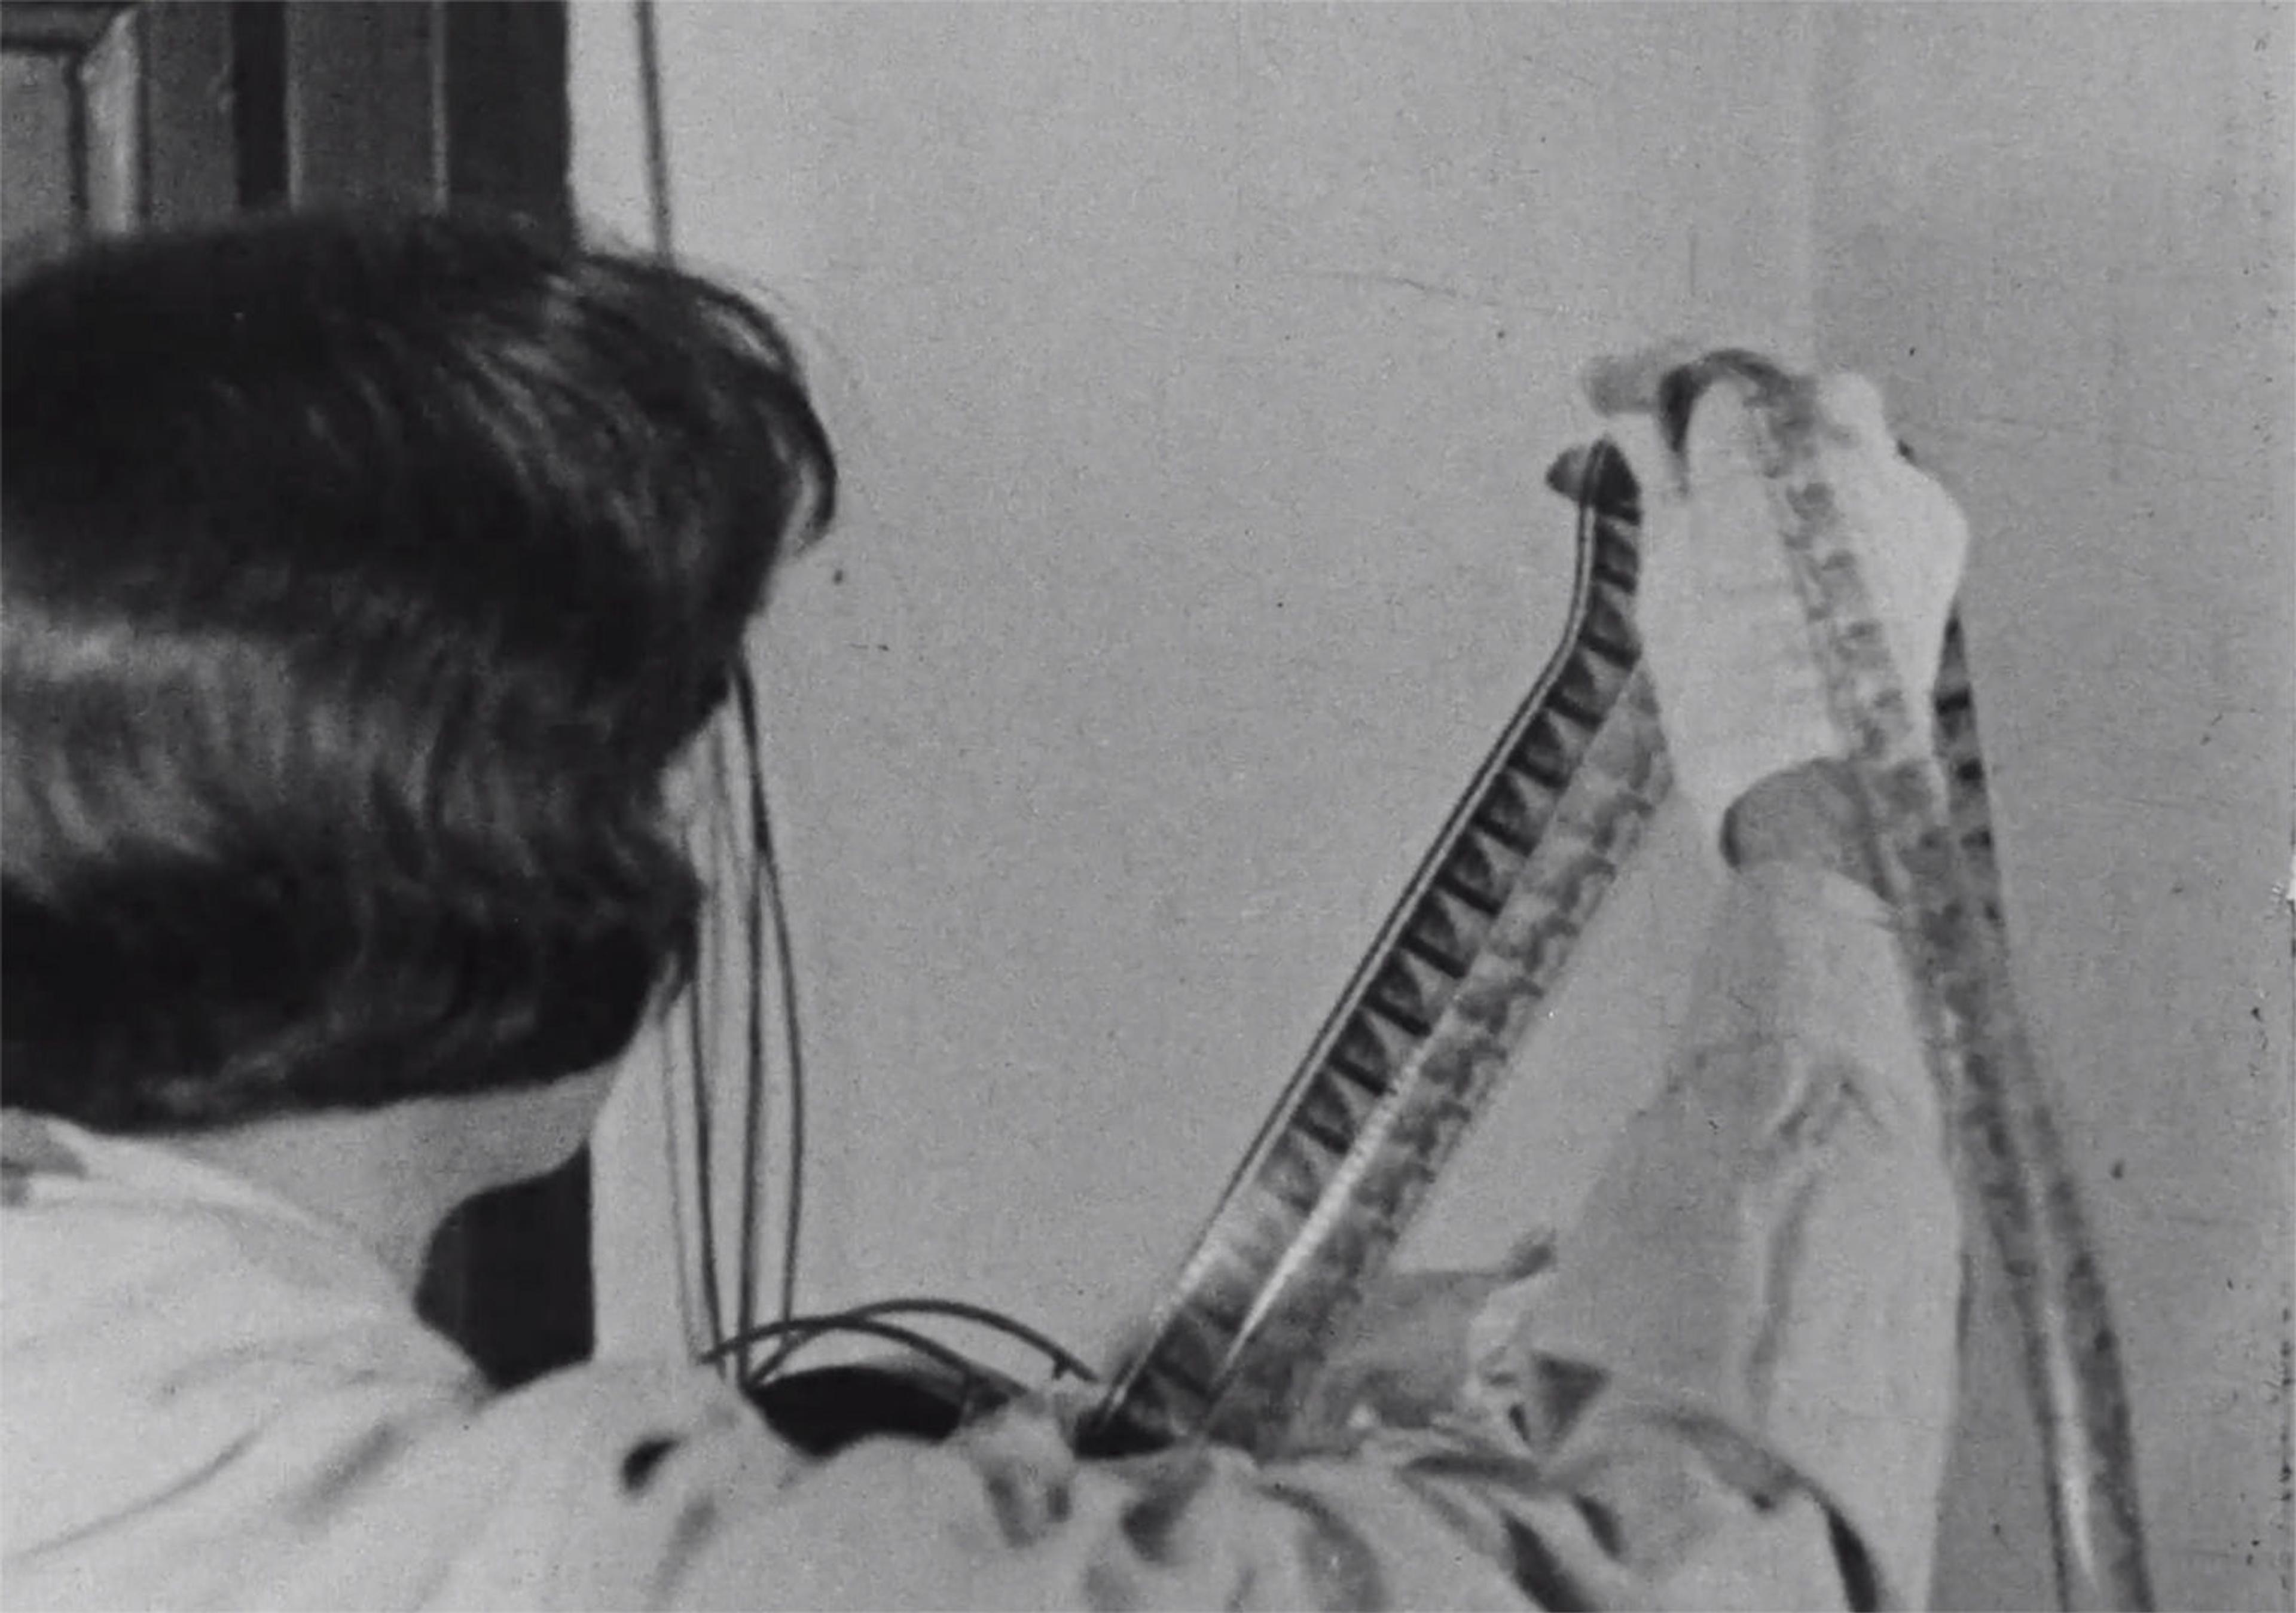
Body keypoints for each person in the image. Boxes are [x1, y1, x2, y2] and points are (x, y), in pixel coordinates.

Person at [1, 212, 1968, 1611]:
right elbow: (1744, 1572)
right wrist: (1816, 786)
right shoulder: (546, 1555)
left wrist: (1075, 1445)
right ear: (483, 826)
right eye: (680, 727)